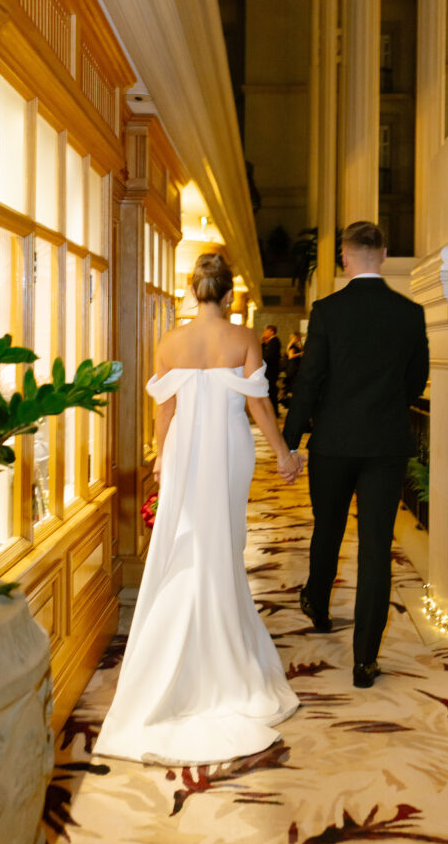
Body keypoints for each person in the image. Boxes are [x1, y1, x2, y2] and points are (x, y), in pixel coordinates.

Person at [95, 253, 303, 766]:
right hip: (230, 449)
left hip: (185, 449)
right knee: (223, 540)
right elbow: (258, 404)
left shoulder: (170, 342)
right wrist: (282, 452)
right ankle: (220, 642)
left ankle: (177, 643)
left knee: (185, 537)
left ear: (192, 292)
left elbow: (164, 411)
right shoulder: (244, 338)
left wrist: (162, 460)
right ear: (228, 294)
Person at [283, 221, 429, 689]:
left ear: (345, 258)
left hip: (332, 441)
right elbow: (416, 380)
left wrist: (290, 438)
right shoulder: (409, 313)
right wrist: (386, 408)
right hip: (384, 444)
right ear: (383, 255)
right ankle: (365, 659)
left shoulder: (327, 311)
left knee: (327, 529)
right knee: (374, 549)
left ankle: (319, 607)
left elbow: (309, 380)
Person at [260, 324, 281, 416]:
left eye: (266, 330)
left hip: (271, 370)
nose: (264, 332)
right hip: (270, 369)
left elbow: (269, 356)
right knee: (270, 389)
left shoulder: (274, 341)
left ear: (272, 331)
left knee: (271, 390)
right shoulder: (270, 342)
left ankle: (273, 411)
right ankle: (272, 410)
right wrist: (264, 343)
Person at [284, 331, 304, 397]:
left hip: (294, 365)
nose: (300, 338)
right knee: (292, 382)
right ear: (296, 337)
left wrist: (300, 342)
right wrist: (300, 354)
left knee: (293, 381)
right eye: (299, 337)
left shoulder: (294, 344)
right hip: (293, 365)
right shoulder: (292, 345)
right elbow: (291, 356)